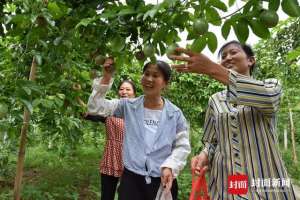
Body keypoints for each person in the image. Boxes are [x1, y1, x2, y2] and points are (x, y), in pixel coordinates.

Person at [170, 41, 296, 199]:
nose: (227, 58)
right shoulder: (215, 100)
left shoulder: (270, 86)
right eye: (223, 56)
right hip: (229, 180)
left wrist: (211, 68)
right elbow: (212, 141)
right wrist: (204, 155)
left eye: (233, 52)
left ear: (251, 60)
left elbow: (269, 100)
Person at [87, 59, 191, 200]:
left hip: (162, 180)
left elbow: (182, 146)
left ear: (165, 83)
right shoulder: (128, 106)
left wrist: (170, 166)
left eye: (155, 75)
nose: (149, 79)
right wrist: (106, 77)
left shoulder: (175, 114)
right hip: (132, 182)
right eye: (146, 74)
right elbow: (95, 107)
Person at [84, 57, 136, 200]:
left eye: (128, 89)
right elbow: (93, 109)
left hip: (131, 160)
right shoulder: (114, 106)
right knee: (107, 197)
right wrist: (106, 77)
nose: (124, 91)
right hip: (111, 158)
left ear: (134, 93)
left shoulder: (140, 109)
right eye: (121, 89)